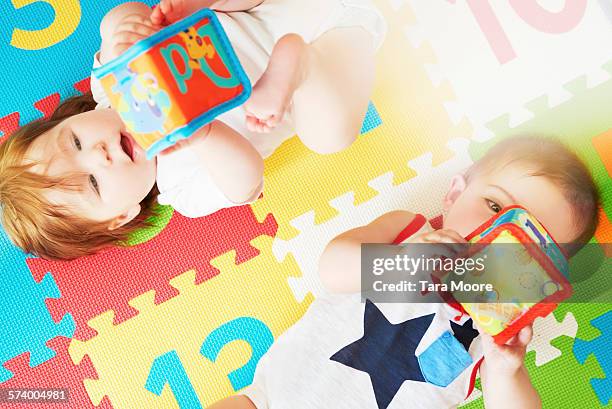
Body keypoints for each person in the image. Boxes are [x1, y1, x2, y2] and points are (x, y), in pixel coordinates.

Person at [206, 136, 599, 409]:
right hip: (273, 399)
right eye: (496, 208)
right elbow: (333, 267)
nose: (497, 239)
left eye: (527, 247)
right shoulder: (408, 233)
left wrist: (507, 366)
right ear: (454, 193)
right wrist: (404, 263)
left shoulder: (495, 329)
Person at [0, 0, 386, 260]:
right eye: (94, 184)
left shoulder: (113, 84)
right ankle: (298, 63)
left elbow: (118, 17)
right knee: (328, 136)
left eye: (76, 140)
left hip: (262, 8)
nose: (97, 155)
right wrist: (202, 135)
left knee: (180, 11)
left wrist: (128, 30)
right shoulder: (181, 189)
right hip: (335, 43)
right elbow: (247, 181)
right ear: (122, 216)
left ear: (68, 118)